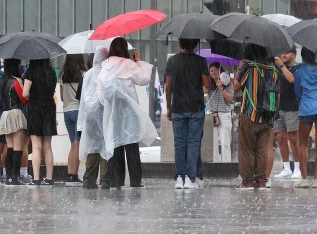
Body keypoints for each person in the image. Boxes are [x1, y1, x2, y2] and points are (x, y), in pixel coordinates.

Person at [97, 37, 155, 189]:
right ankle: (136, 181)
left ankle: (117, 181)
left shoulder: (105, 66)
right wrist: (139, 61)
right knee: (131, 145)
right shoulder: (128, 64)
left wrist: (110, 105)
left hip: (113, 113)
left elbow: (100, 92)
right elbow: (143, 79)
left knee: (116, 145)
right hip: (129, 113)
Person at [164, 38, 210, 189]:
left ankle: (179, 178)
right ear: (195, 44)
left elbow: (168, 87)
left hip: (178, 107)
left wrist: (169, 107)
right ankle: (191, 179)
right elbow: (207, 85)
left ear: (180, 44)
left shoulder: (172, 61)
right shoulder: (200, 61)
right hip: (196, 107)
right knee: (193, 143)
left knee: (179, 143)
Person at [233, 44, 279, 191]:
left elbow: (235, 87)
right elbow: (277, 93)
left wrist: (239, 69)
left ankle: (247, 182)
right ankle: (261, 181)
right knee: (261, 149)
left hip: (250, 113)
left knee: (246, 149)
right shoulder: (274, 70)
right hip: (267, 116)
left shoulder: (249, 67)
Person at [294, 48, 317, 189]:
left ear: (302, 56)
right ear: (315, 56)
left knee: (302, 143)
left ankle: (304, 179)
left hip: (307, 109)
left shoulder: (299, 72)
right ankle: (316, 180)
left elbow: (298, 91)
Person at [79, 47, 111, 189]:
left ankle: (88, 179)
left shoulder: (88, 75)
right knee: (106, 146)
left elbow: (83, 100)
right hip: (105, 114)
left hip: (89, 116)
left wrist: (81, 123)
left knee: (92, 146)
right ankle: (105, 180)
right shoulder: (108, 73)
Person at [23, 58, 58, 187]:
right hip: (49, 108)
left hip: (35, 109)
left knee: (36, 146)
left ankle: (36, 179)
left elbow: (25, 93)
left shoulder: (30, 71)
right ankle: (49, 179)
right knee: (47, 147)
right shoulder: (52, 72)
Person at [0, 58, 28, 186]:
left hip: (5, 114)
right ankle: (15, 177)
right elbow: (24, 99)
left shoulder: (3, 81)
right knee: (18, 147)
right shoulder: (16, 81)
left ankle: (9, 177)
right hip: (16, 113)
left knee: (9, 146)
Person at [271, 49, 301, 180]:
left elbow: (292, 80)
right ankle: (286, 168)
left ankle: (298, 169)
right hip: (280, 108)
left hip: (292, 108)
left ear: (293, 55)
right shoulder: (277, 70)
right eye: (281, 52)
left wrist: (282, 66)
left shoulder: (296, 69)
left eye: (287, 52)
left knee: (293, 139)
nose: (283, 54)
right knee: (281, 138)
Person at [60, 54, 86, 187]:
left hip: (67, 112)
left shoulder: (63, 75)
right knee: (77, 144)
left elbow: (62, 98)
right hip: (78, 111)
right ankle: (74, 176)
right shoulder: (83, 74)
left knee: (72, 144)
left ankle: (70, 175)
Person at [205, 62, 235, 164]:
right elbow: (203, 91)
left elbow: (230, 99)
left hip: (224, 115)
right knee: (213, 144)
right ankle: (215, 165)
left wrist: (222, 89)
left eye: (215, 70)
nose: (213, 73)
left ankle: (226, 166)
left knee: (225, 143)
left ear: (220, 70)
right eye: (211, 71)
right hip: (212, 115)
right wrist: (206, 83)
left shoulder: (227, 82)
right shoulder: (208, 83)